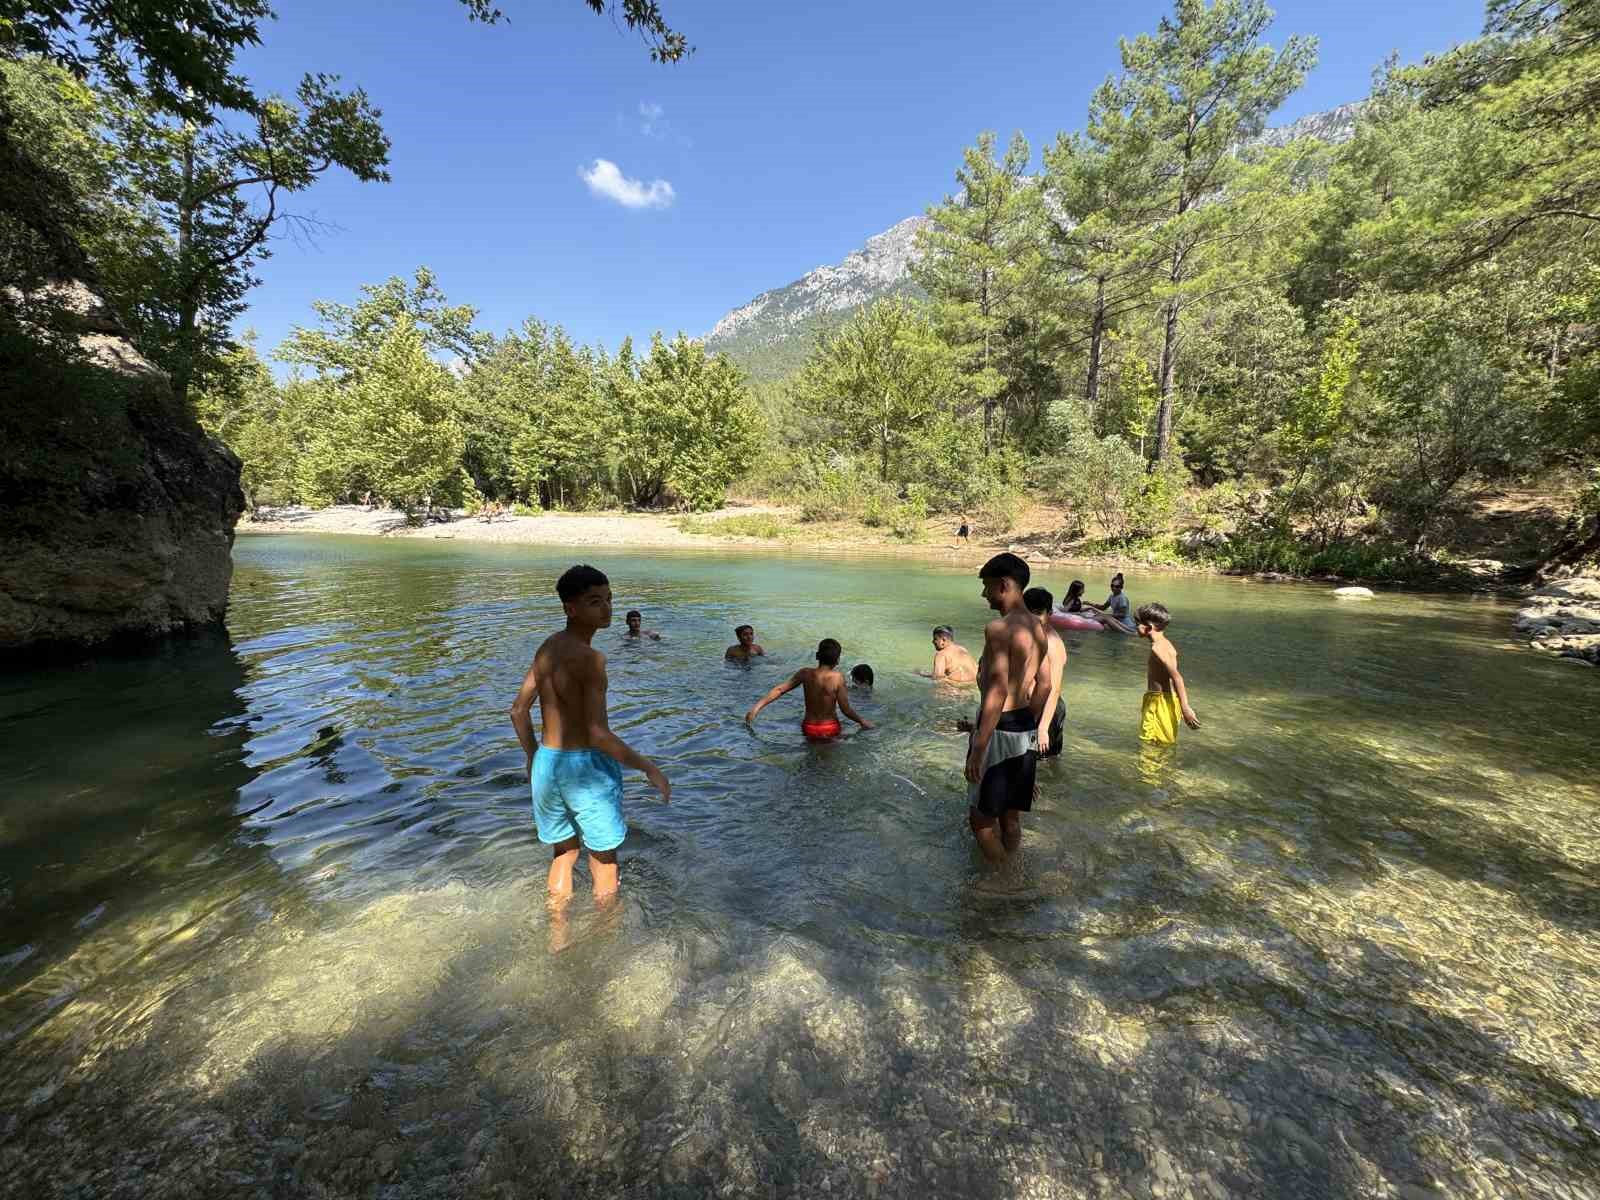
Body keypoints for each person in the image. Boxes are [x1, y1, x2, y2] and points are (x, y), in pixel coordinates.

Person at [508, 564, 671, 902]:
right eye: (595, 602)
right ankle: (607, 939)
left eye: (609, 599)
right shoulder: (592, 659)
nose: (607, 608)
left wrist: (532, 757)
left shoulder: (547, 648)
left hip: (547, 765)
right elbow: (598, 734)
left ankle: (557, 936)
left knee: (564, 854)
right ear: (570, 608)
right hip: (585, 769)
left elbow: (518, 710)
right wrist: (648, 767)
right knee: (604, 858)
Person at [965, 553, 1047, 865]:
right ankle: (1013, 863)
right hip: (1024, 724)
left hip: (999, 728)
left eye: (986, 587)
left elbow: (997, 691)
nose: (983, 594)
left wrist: (978, 748)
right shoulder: (1038, 629)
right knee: (1010, 816)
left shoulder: (1000, 628)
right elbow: (1045, 684)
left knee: (981, 821)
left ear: (1004, 585)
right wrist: (1029, 731)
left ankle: (1005, 882)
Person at [745, 638, 873, 740]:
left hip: (809, 727)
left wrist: (756, 708)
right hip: (830, 727)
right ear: (837, 660)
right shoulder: (838, 678)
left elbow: (779, 690)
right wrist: (862, 721)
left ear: (817, 656)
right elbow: (846, 710)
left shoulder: (805, 673)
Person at [1135, 602, 1201, 744]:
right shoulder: (1165, 644)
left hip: (1158, 703)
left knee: (1150, 743)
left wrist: (1185, 708)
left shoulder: (1158, 648)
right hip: (1166, 701)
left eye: (1137, 623)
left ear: (1148, 627)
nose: (1135, 626)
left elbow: (1177, 677)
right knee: (1161, 744)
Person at [1024, 586, 1067, 758]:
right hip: (1033, 707)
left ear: (1049, 613)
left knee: (1042, 761)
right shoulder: (1032, 635)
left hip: (1048, 709)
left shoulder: (1052, 643)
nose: (1034, 618)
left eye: (1038, 613)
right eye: (1030, 612)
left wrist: (1042, 728)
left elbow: (1054, 688)